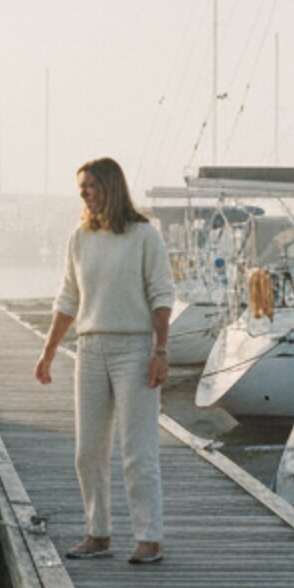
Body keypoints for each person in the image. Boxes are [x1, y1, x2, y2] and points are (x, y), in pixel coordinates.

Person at [31, 157, 174, 565]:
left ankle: (149, 537)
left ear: (111, 186)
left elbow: (162, 296)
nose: (85, 194)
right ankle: (98, 533)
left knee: (136, 449)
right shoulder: (79, 237)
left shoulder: (145, 235)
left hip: (135, 347)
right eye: (81, 189)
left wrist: (160, 351)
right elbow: (68, 299)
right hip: (90, 348)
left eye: (91, 186)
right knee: (88, 450)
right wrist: (49, 351)